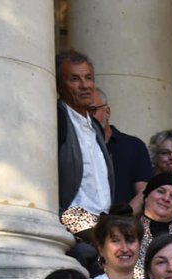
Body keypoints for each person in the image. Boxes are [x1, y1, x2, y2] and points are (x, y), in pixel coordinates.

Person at [56, 50, 113, 215]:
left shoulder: (95, 126)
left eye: (88, 78)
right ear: (60, 85)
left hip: (102, 221)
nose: (85, 86)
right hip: (72, 220)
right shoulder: (56, 120)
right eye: (74, 79)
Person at [90, 89, 151, 211]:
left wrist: (122, 220)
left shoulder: (134, 146)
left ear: (107, 112)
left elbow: (144, 192)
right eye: (82, 112)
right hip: (84, 224)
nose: (87, 116)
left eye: (92, 110)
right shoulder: (76, 147)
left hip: (124, 224)